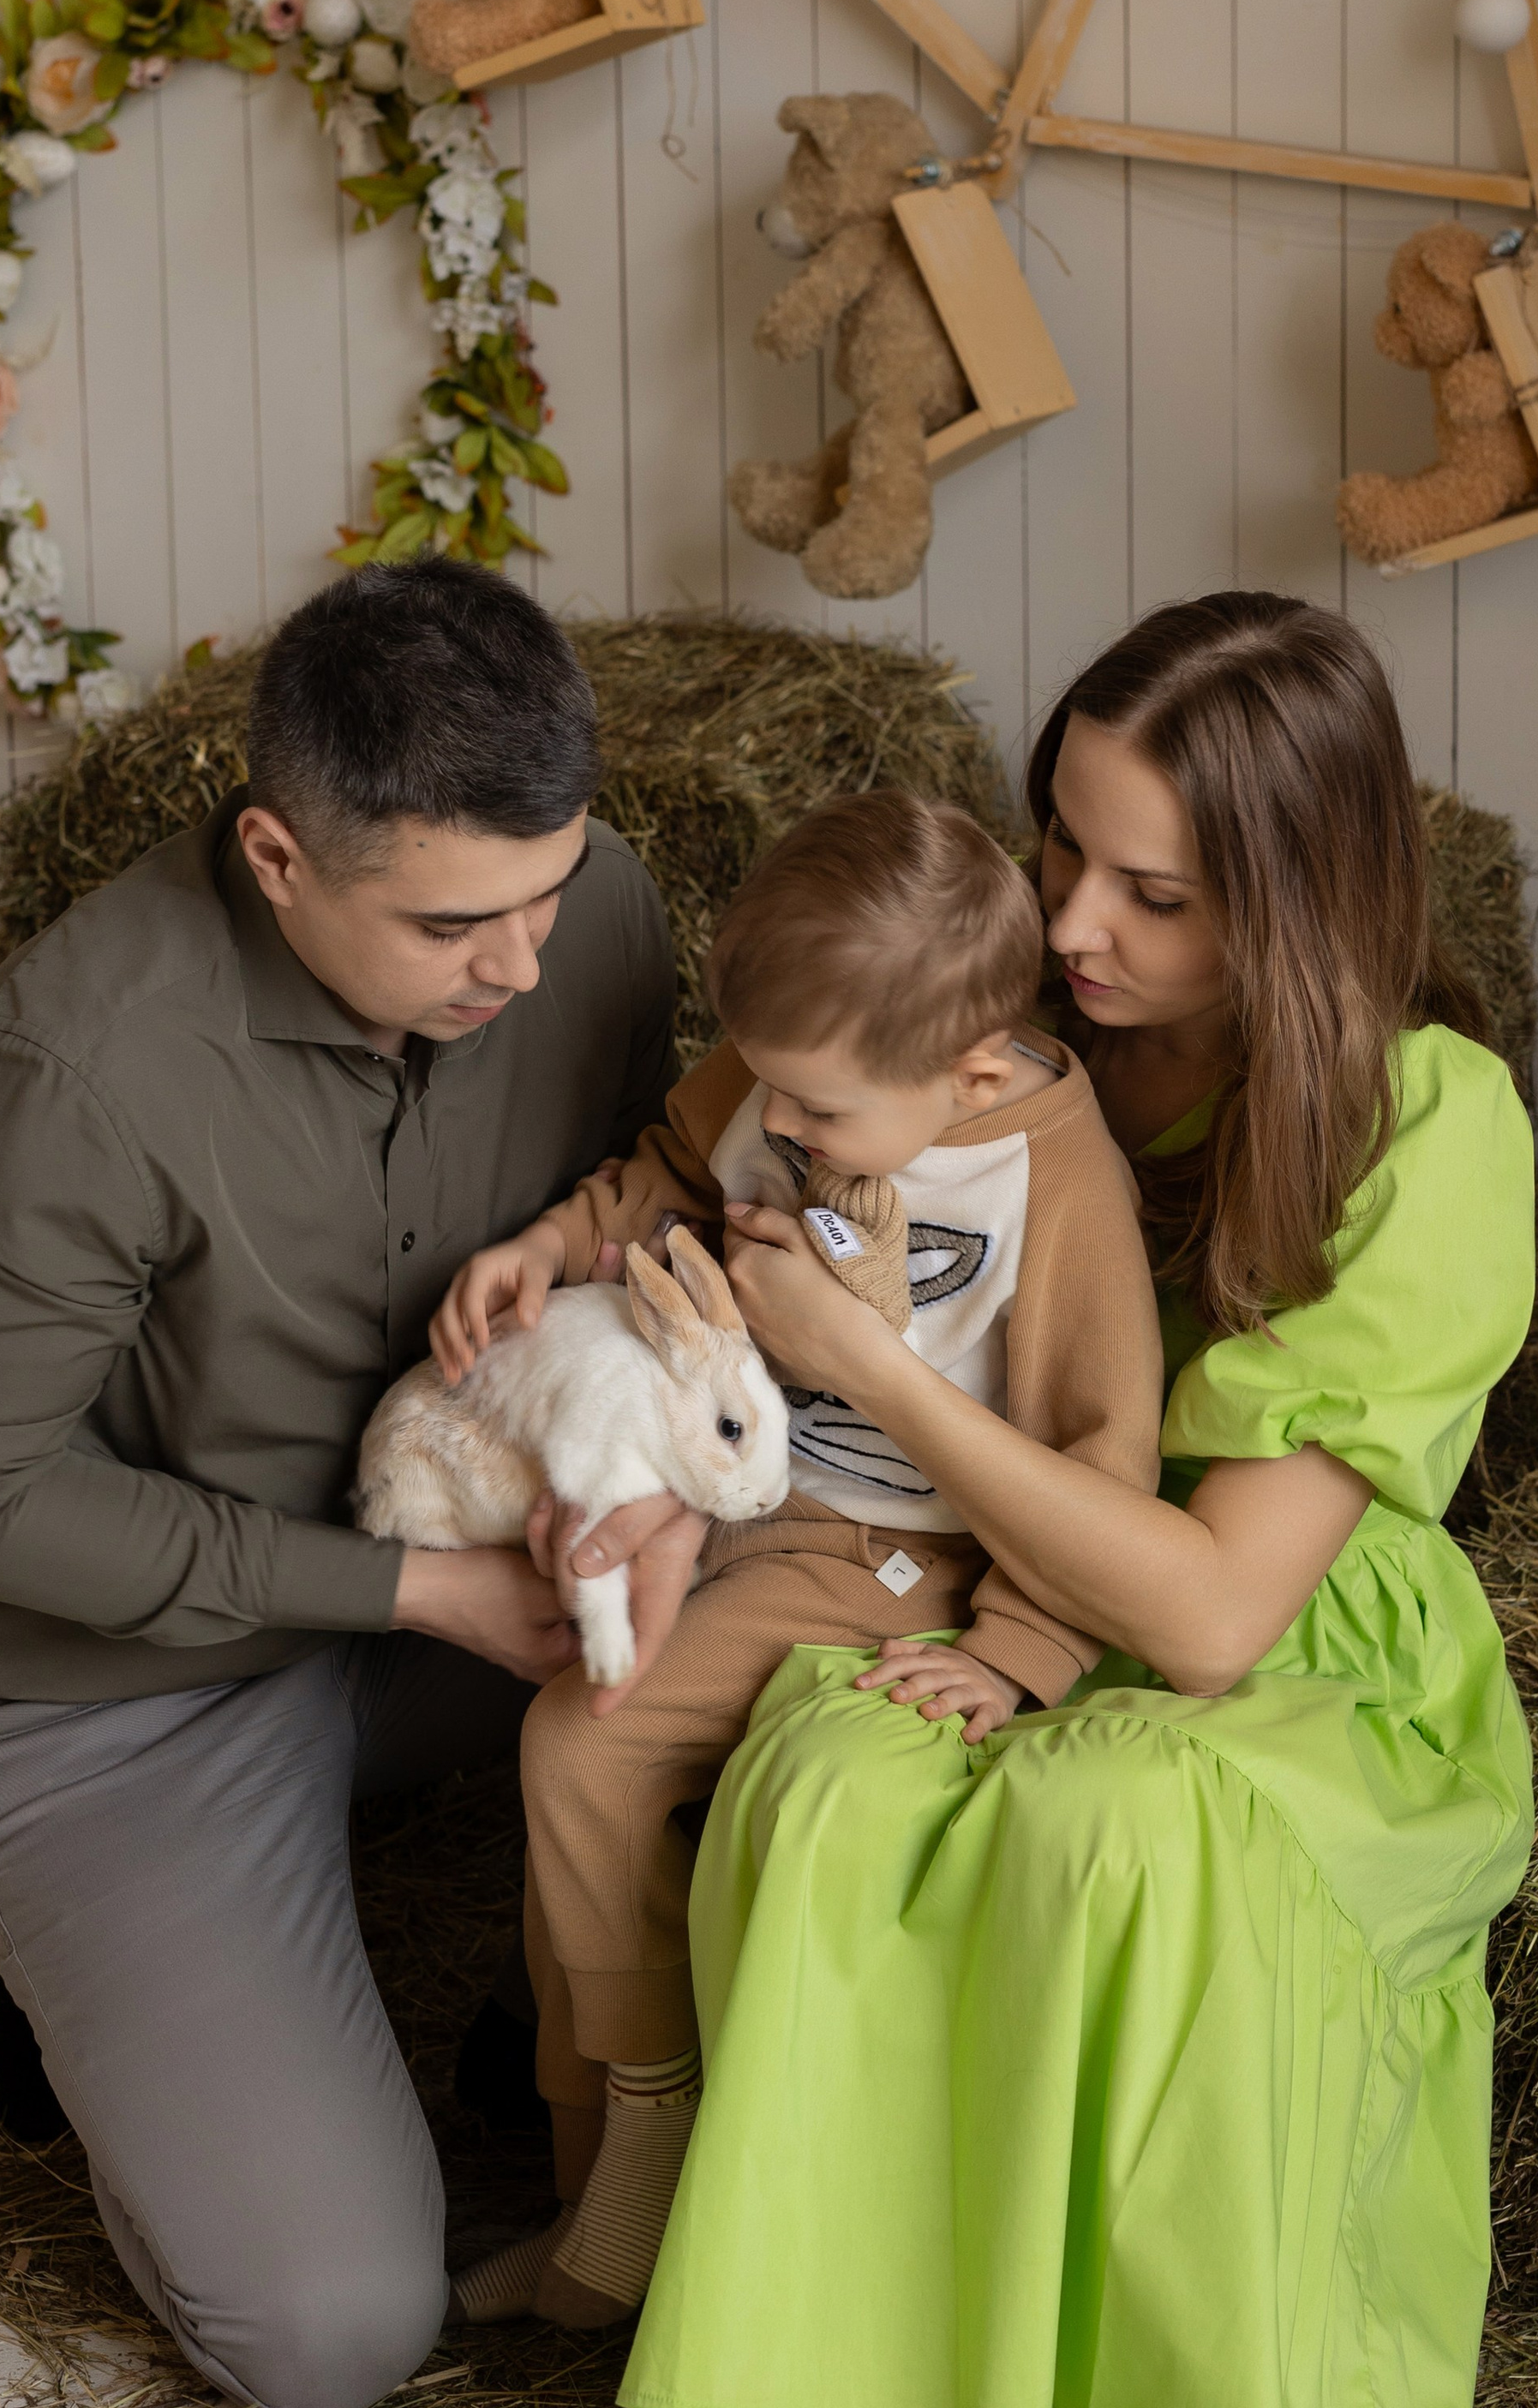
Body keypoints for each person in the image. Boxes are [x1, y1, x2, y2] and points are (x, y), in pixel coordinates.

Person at [616, 593, 1538, 2408]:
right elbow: (715, 1131)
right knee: (836, 1785)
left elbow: (1210, 1618)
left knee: (1112, 1817)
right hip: (967, 1564)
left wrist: (874, 1370)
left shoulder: (1427, 1117)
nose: (1074, 922)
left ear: (1295, 899)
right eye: (1059, 847)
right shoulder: (984, 1012)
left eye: (1155, 893)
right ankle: (890, 2393)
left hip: (1282, 1630)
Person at [0, 562, 694, 2408]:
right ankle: (96, 1983)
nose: (525, 965)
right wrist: (418, 1596)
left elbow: (640, 1224)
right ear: (275, 856)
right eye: (454, 923)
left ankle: (543, 2005)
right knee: (332, 2334)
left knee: (818, 1571)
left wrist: (648, 1507)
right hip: (109, 1684)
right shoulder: (60, 1074)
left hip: (458, 1566)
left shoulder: (594, 913)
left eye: (552, 890)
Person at [433, 792, 1162, 2327]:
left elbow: (1102, 1449)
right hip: (733, 1481)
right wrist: (552, 1250)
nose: (783, 1123)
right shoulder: (801, 1063)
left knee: (584, 1740)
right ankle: (584, 2194)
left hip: (890, 1545)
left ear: (972, 1069)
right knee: (554, 1706)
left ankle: (649, 2125)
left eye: (819, 1112)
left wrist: (1018, 1651)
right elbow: (667, 1169)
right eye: (765, 1083)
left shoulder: (1052, 1180)